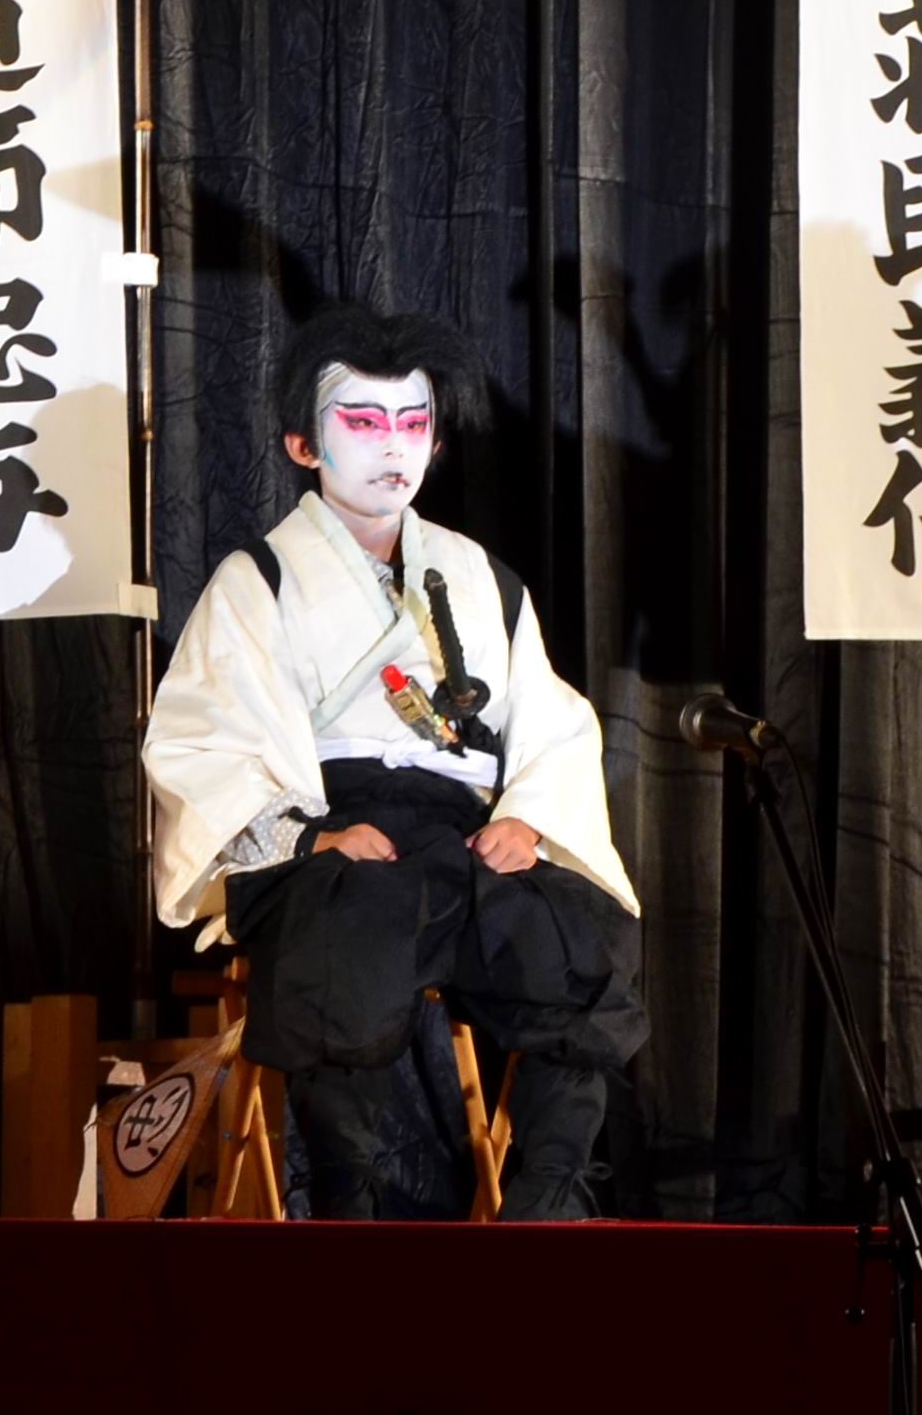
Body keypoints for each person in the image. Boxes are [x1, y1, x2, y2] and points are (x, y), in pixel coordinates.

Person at [143, 308, 642, 1218]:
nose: (392, 446)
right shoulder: (260, 578)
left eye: (413, 423)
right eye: (363, 421)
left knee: (577, 934)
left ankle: (548, 1205)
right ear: (303, 445)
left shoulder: (480, 577)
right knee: (349, 932)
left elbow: (554, 722)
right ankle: (354, 1207)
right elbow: (202, 737)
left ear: (437, 442)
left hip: (466, 829)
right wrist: (309, 837)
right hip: (337, 825)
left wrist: (527, 819)